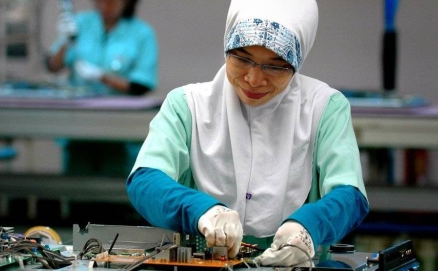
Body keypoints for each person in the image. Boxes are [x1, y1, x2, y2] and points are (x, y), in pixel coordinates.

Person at [126, 0, 369, 267]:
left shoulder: (324, 108)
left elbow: (350, 195)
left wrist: (308, 227)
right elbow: (145, 181)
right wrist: (203, 211)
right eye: (242, 58)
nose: (254, 79)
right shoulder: (187, 105)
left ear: (297, 62)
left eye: (276, 66)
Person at [46, 0, 158, 177]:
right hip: (79, 124)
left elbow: (140, 85)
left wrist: (101, 76)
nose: (107, 5)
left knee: (115, 182)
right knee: (77, 182)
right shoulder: (81, 23)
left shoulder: (141, 33)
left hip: (118, 127)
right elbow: (52, 66)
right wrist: (66, 41)